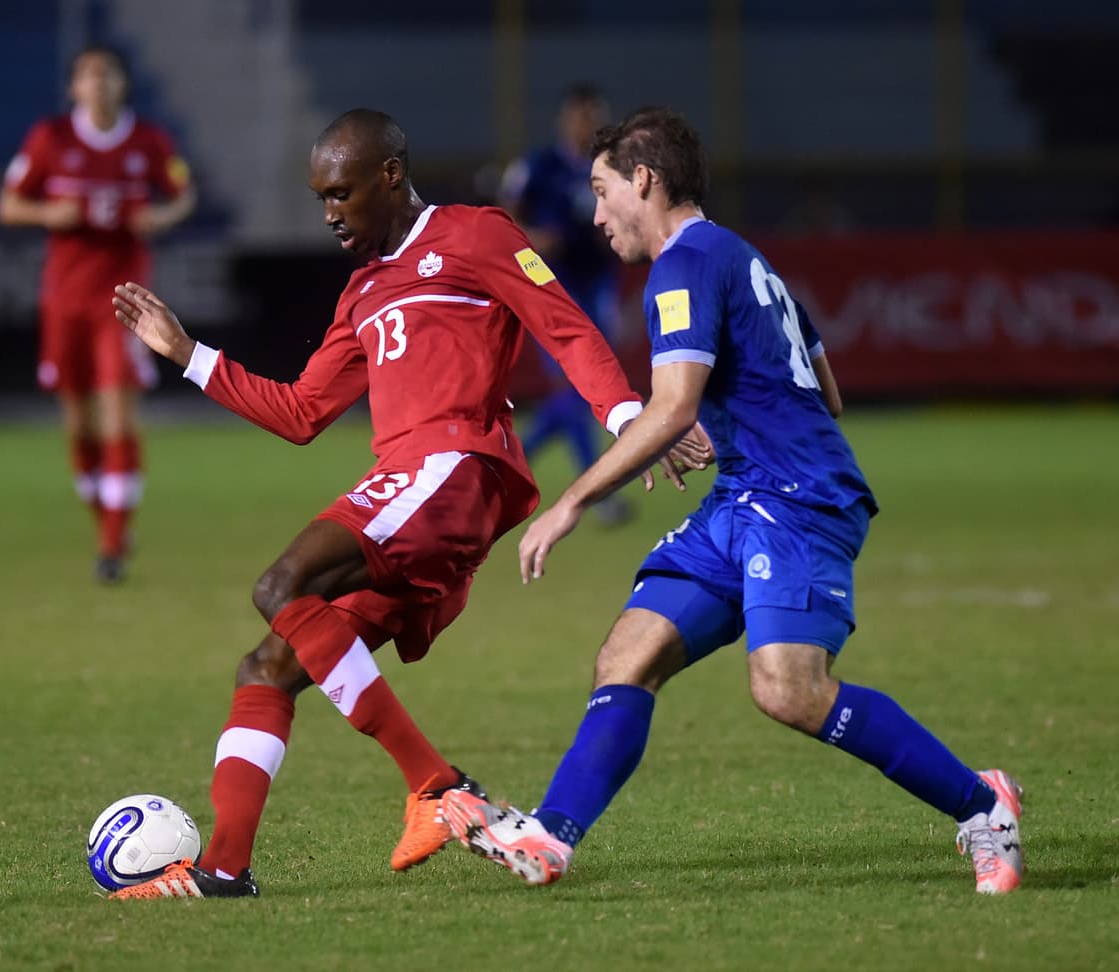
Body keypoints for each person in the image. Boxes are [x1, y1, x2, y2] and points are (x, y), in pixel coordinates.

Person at [443, 107, 1025, 895]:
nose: (596, 212)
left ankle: (983, 804)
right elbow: (826, 391)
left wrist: (571, 501)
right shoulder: (746, 259)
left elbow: (672, 407)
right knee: (628, 655)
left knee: (789, 690)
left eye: (602, 188)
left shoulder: (681, 266)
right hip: (747, 492)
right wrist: (738, 423)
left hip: (799, 502)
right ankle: (552, 835)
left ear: (643, 179)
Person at [106, 108, 654, 899]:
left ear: (390, 175)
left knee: (278, 587)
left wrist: (631, 419)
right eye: (320, 198)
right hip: (410, 497)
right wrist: (189, 355)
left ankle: (436, 785)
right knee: (266, 666)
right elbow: (301, 413)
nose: (330, 212)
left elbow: (563, 328)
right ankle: (225, 868)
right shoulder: (362, 291)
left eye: (342, 192)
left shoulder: (474, 234)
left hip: (454, 472)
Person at [0, 44, 197, 584]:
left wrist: (161, 217)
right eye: (89, 75)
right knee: (79, 425)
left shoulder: (149, 142)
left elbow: (183, 194)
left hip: (124, 301)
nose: (99, 83)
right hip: (64, 300)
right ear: (74, 89)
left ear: (122, 85)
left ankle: (111, 544)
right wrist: (47, 211)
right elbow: (8, 205)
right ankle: (108, 522)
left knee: (118, 417)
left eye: (108, 75)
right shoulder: (51, 139)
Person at [501, 84, 631, 525]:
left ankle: (507, 462)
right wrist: (535, 240)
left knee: (582, 391)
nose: (586, 125)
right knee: (575, 389)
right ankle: (599, 493)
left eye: (593, 117)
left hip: (599, 286)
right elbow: (505, 217)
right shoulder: (539, 167)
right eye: (580, 116)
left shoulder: (611, 169)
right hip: (551, 291)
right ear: (565, 120)